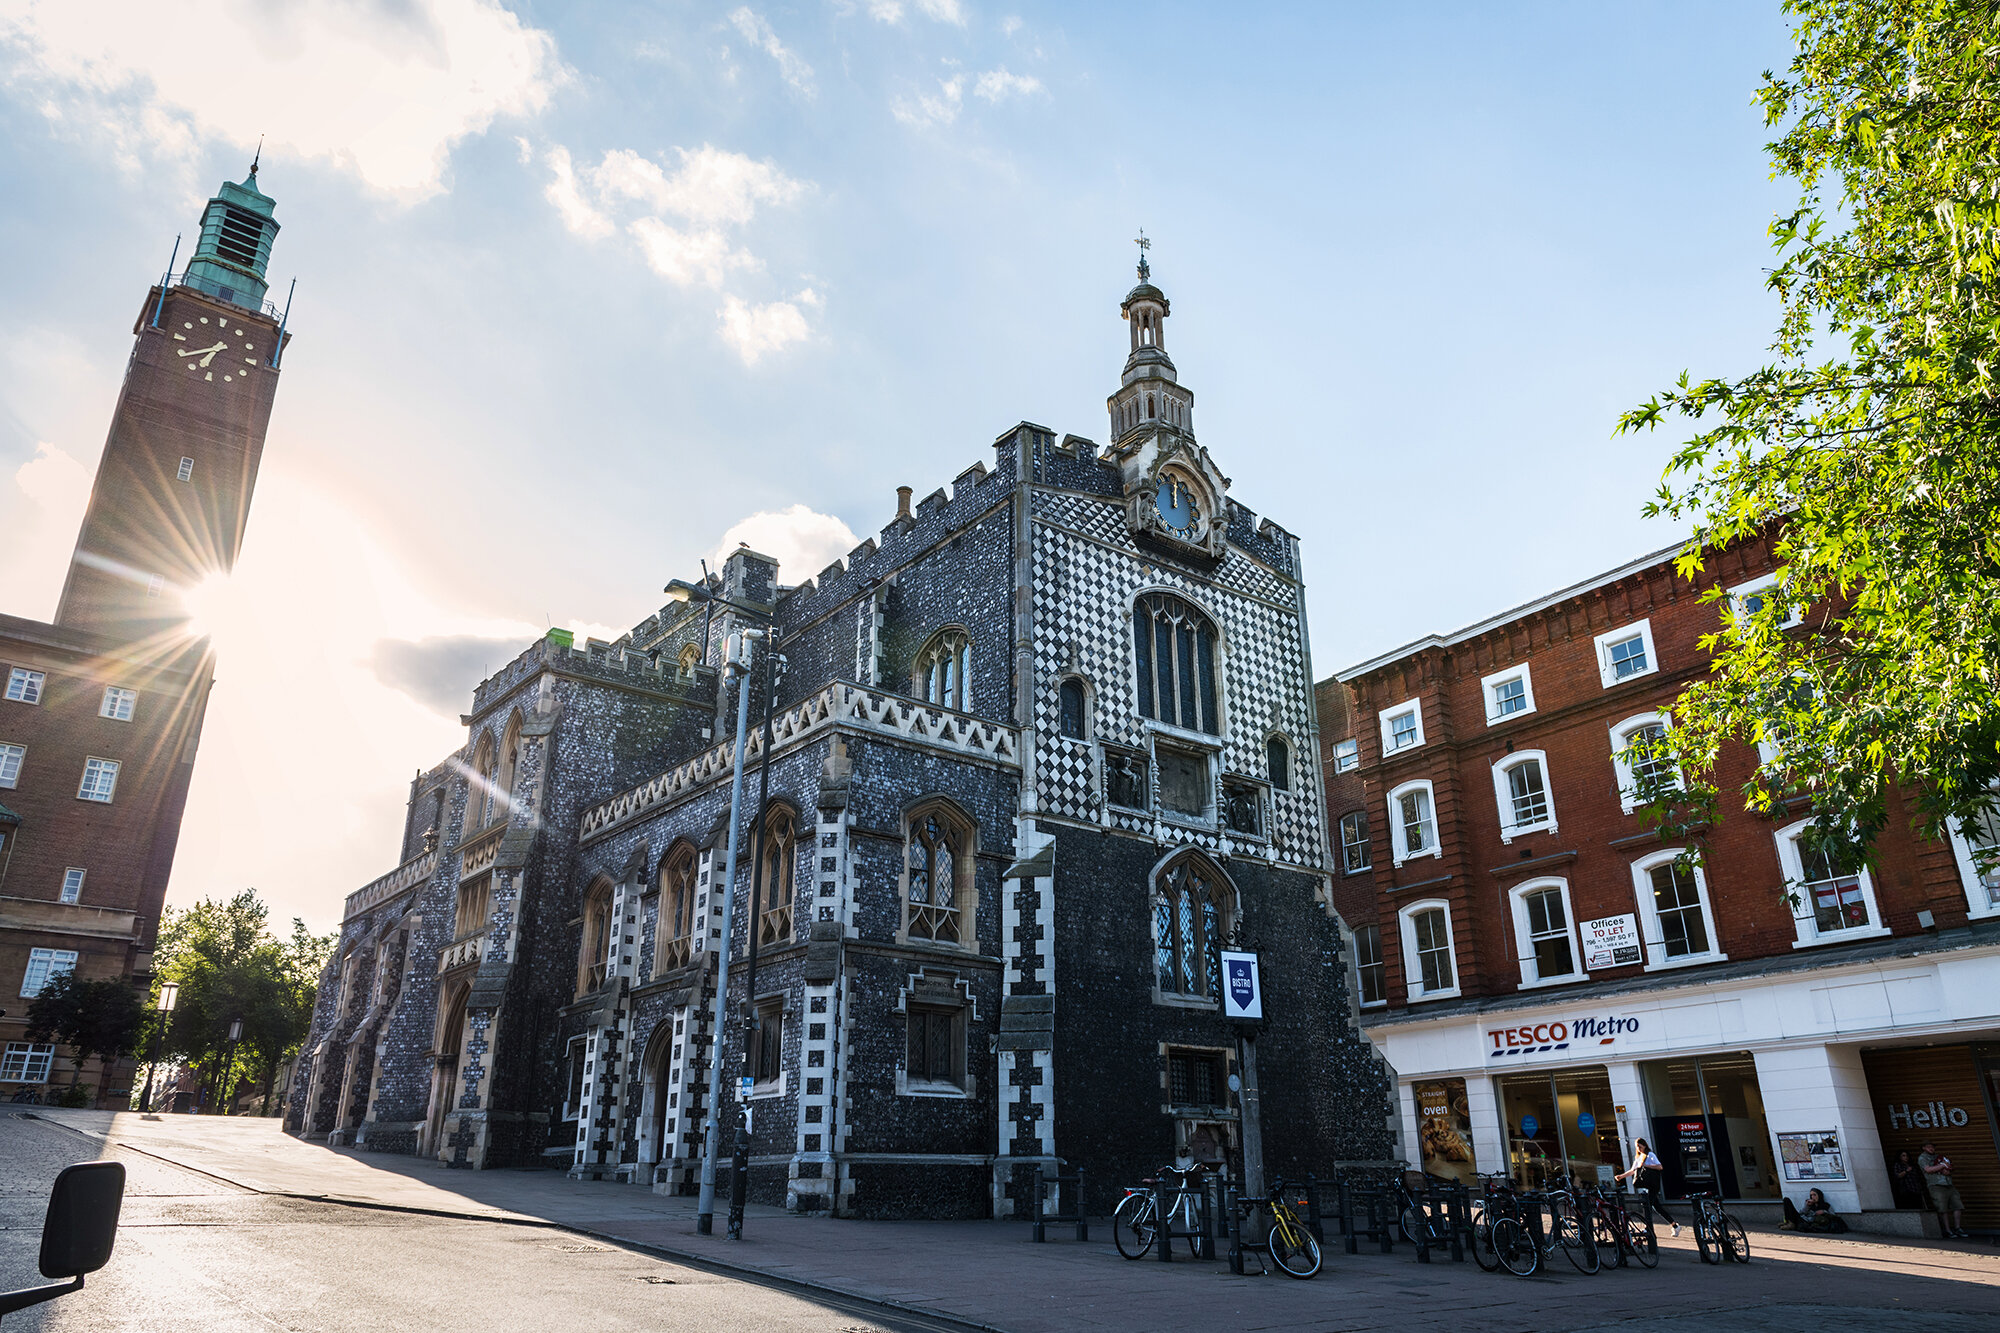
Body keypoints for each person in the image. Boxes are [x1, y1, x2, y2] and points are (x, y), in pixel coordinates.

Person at [1615, 1137, 1678, 1237]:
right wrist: (1621, 1176)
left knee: (1648, 1206)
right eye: (1637, 1147)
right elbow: (1633, 1170)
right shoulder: (1638, 1157)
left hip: (1653, 1185)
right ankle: (1675, 1226)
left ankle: (1647, 1228)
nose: (1639, 1149)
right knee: (1656, 1207)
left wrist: (1646, 1165)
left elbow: (1659, 1166)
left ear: (1644, 1145)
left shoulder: (1650, 1155)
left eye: (1640, 1146)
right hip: (1646, 1185)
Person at [1918, 1141, 1969, 1238]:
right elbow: (1928, 1169)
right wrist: (1942, 1165)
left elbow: (1949, 1167)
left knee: (1957, 1205)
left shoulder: (1940, 1157)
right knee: (1943, 1208)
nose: (1931, 1148)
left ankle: (1957, 1228)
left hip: (1948, 1184)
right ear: (1924, 1148)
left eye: (1932, 1146)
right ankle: (1947, 1230)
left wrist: (1947, 1169)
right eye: (1929, 1146)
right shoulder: (1923, 1158)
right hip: (1936, 1185)